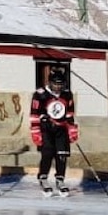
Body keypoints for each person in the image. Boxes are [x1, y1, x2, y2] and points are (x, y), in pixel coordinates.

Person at [29, 68, 78, 197]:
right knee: (48, 152)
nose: (58, 87)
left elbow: (70, 113)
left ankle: (60, 179)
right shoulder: (40, 94)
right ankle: (43, 178)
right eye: (55, 84)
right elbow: (34, 114)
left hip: (61, 128)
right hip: (46, 128)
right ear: (50, 83)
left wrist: (72, 128)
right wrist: (35, 131)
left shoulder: (67, 94)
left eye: (60, 84)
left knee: (62, 154)